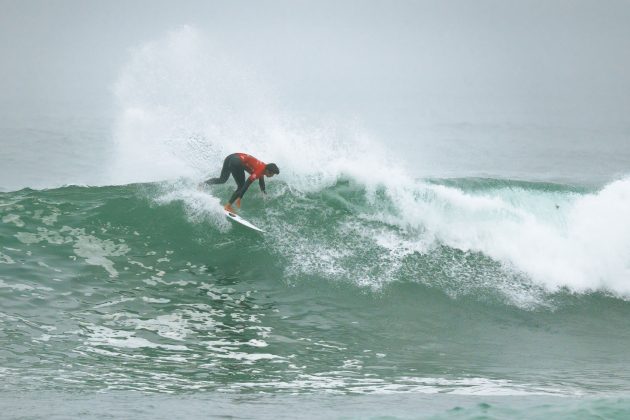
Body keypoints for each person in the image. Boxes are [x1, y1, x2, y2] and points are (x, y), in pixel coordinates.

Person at [203, 153, 279, 213]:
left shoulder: (263, 167)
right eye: (272, 174)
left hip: (230, 157)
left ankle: (203, 184)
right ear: (268, 171)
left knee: (222, 179)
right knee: (241, 186)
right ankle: (228, 206)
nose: (272, 176)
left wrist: (263, 191)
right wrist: (240, 197)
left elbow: (261, 179)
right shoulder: (259, 171)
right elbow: (247, 183)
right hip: (236, 162)